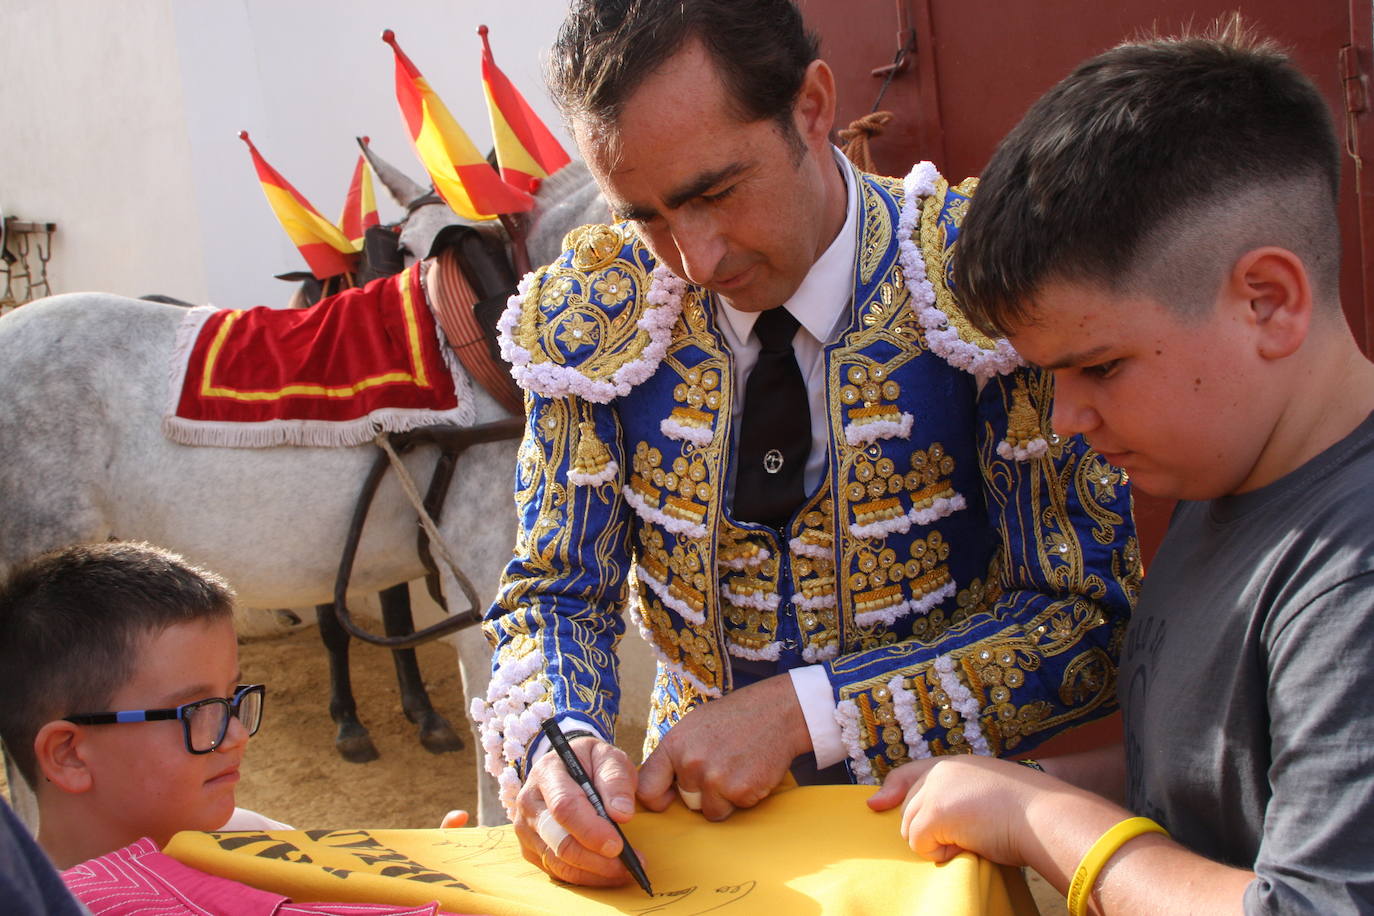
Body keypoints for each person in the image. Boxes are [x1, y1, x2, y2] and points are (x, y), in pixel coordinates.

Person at [474, 0, 1139, 887]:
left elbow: (1086, 620)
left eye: (717, 191)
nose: (697, 258)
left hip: (935, 848)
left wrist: (807, 714)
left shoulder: (977, 275)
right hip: (690, 839)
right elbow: (554, 591)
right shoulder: (596, 314)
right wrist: (557, 744)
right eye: (647, 216)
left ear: (814, 106)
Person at [868, 22, 1374, 914]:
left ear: (1268, 302)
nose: (1067, 419)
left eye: (1100, 367)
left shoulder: (1352, 577)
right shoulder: (1229, 478)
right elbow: (1208, 788)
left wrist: (1035, 816)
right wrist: (1020, 783)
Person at [0, 541, 284, 870]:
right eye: (196, 710)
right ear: (70, 755)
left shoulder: (264, 845)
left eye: (230, 698)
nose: (237, 735)